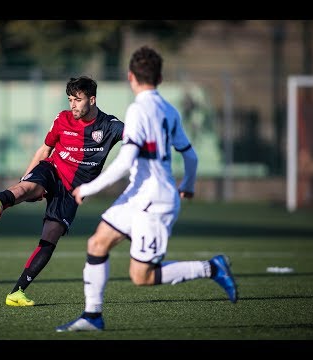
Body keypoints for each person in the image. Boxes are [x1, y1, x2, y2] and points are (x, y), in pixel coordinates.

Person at [55, 46, 238, 332]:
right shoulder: (169, 110)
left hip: (155, 201)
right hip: (140, 194)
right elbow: (190, 155)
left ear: (130, 77)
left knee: (141, 276)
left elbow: (127, 159)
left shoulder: (138, 110)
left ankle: (211, 268)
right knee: (97, 243)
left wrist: (90, 187)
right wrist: (187, 185)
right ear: (160, 78)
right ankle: (92, 316)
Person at [0, 76, 124, 307]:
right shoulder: (63, 119)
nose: (72, 105)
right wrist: (25, 179)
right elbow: (45, 149)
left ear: (92, 100)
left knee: (50, 237)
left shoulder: (110, 126)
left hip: (71, 191)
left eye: (77, 99)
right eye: (69, 99)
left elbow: (138, 138)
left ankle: (16, 293)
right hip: (52, 170)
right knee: (25, 188)